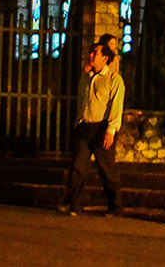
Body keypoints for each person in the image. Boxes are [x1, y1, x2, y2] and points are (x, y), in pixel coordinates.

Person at [58, 37, 124, 216]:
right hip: (84, 127)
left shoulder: (114, 79)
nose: (91, 55)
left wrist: (111, 129)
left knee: (106, 169)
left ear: (105, 58)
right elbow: (82, 102)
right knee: (78, 167)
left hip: (101, 128)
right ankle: (72, 203)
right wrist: (78, 123)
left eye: (95, 53)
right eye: (91, 52)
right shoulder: (86, 79)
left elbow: (116, 106)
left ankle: (115, 206)